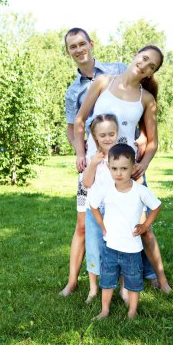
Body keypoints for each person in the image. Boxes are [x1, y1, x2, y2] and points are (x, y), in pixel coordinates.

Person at [74, 44, 172, 294]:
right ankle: (106, 283)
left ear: (151, 73)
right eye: (145, 58)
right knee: (101, 229)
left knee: (143, 229)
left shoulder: (146, 99)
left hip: (128, 172)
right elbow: (79, 119)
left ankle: (160, 280)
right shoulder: (102, 82)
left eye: (152, 66)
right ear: (136, 55)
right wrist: (81, 154)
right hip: (100, 171)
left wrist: (143, 164)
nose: (145, 65)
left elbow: (152, 142)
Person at [60, 27, 146, 296]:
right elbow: (70, 127)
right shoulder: (73, 91)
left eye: (82, 43)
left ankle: (137, 277)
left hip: (122, 160)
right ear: (68, 52)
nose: (78, 49)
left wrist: (143, 135)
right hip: (92, 164)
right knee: (83, 224)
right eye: (72, 46)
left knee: (127, 218)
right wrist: (79, 152)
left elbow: (139, 103)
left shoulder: (116, 70)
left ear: (91, 44)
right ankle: (74, 280)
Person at [90, 144, 162, 319]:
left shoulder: (140, 191)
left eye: (124, 168)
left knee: (133, 282)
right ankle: (105, 310)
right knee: (107, 281)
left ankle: (132, 311)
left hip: (132, 250)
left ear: (133, 167)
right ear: (108, 167)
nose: (119, 173)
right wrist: (101, 224)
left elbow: (157, 206)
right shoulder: (106, 189)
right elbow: (93, 206)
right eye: (114, 168)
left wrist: (145, 226)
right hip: (111, 248)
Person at [82, 114, 119, 303]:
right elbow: (87, 183)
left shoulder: (122, 154)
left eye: (111, 134)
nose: (107, 138)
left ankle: (121, 287)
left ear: (117, 133)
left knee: (118, 247)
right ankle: (93, 289)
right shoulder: (92, 156)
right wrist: (94, 163)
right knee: (94, 247)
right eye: (103, 135)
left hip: (116, 211)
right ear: (95, 137)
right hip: (94, 211)